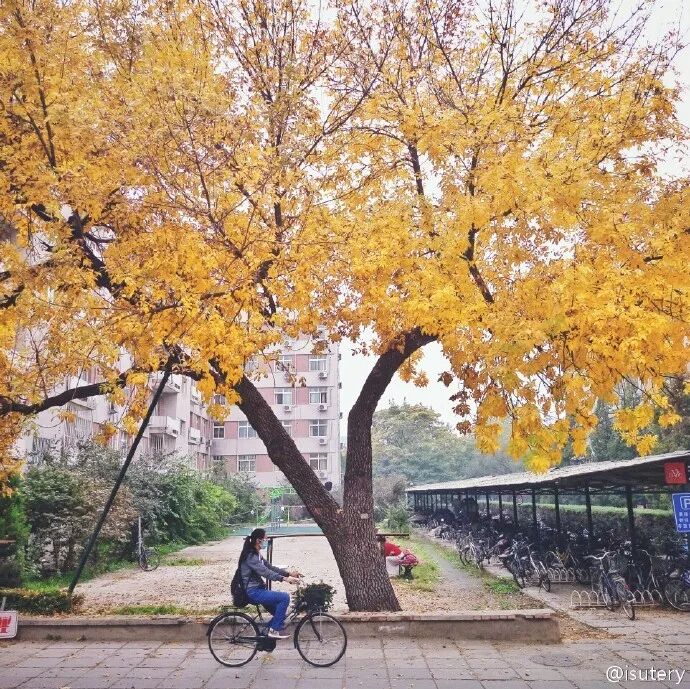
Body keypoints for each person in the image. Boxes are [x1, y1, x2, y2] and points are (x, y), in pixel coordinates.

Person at [238, 528, 302, 639]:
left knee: (280, 615)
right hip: (252, 592)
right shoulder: (251, 556)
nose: (266, 541)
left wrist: (289, 574)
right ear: (258, 540)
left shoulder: (257, 555)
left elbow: (270, 567)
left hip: (258, 590)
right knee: (284, 598)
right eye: (265, 539)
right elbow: (265, 572)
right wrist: (284, 579)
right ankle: (273, 630)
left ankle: (265, 636)